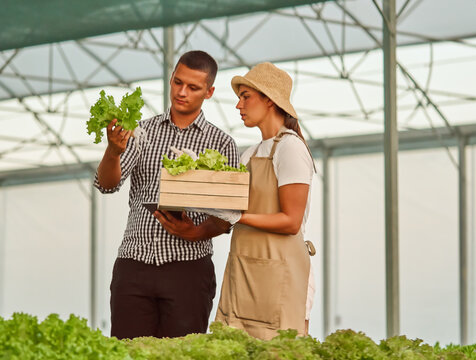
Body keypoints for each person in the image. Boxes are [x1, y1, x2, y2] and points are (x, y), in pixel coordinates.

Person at [94, 50, 239, 339]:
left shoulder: (223, 143)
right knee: (127, 354)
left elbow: (227, 217)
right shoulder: (142, 131)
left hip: (189, 269)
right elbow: (107, 184)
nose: (181, 92)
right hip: (134, 264)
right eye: (177, 82)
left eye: (193, 87)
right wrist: (113, 151)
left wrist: (194, 232)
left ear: (209, 92)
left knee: (181, 355)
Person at [214, 62, 316, 340]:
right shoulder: (250, 154)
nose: (238, 105)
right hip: (245, 272)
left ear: (269, 100)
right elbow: (231, 207)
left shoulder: (291, 148)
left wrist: (238, 217)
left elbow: (291, 221)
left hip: (279, 276)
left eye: (245, 96)